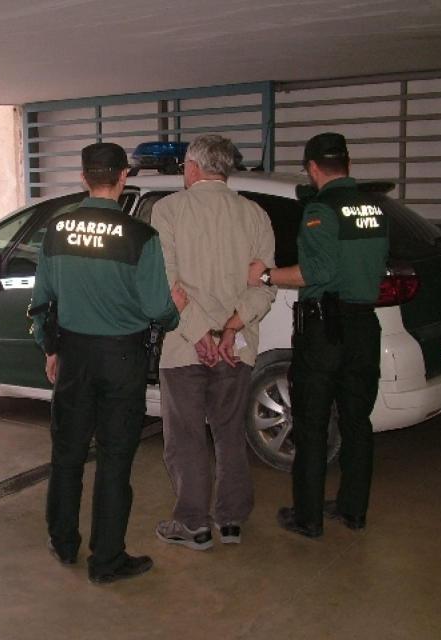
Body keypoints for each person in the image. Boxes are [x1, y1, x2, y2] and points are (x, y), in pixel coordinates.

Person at [30, 142, 187, 584]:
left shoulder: (57, 229)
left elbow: (40, 302)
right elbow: (159, 310)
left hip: (74, 356)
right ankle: (107, 560)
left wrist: (51, 349)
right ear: (123, 178)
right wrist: (174, 308)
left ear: (84, 178)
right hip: (122, 358)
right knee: (115, 460)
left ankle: (63, 542)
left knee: (67, 454)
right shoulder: (141, 237)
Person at [248, 132, 389, 538]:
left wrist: (266, 276)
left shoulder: (320, 211)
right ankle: (352, 510)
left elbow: (315, 273)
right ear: (347, 163)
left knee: (310, 423)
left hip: (326, 330)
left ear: (312, 168)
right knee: (357, 421)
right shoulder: (374, 208)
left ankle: (307, 517)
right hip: (364, 325)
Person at [151, 134, 276, 550]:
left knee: (186, 436)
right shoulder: (256, 215)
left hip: (185, 345)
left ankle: (193, 524)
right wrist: (230, 329)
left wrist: (201, 333)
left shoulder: (167, 211)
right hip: (235, 346)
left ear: (192, 168)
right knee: (229, 432)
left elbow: (167, 285)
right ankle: (231, 519)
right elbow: (263, 284)